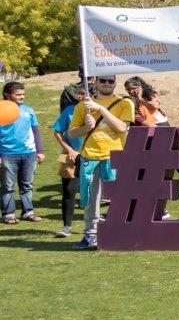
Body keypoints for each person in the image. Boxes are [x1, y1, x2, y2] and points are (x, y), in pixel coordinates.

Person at [68, 76, 135, 250]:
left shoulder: (125, 103)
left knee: (119, 198)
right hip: (90, 157)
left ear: (115, 83)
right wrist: (86, 128)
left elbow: (122, 128)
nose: (106, 84)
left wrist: (101, 109)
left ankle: (121, 234)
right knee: (91, 199)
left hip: (115, 156)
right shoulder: (82, 106)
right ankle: (91, 235)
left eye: (110, 81)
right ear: (96, 82)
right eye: (103, 80)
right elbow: (72, 133)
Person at [125, 76, 179, 191]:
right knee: (150, 154)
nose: (131, 91)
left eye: (133, 88)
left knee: (171, 152)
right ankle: (151, 181)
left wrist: (140, 98)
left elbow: (154, 106)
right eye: (128, 89)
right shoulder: (131, 100)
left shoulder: (150, 94)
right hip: (146, 126)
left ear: (140, 87)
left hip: (161, 124)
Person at [0, 81, 44, 224]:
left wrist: (40, 151)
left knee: (27, 185)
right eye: (18, 94)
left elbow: (35, 131)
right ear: (7, 95)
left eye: (23, 94)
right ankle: (8, 214)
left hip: (29, 153)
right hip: (7, 154)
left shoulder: (28, 110)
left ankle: (28, 212)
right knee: (8, 186)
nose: (22, 97)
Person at [51, 86, 86, 237]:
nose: (82, 96)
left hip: (95, 156)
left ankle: (93, 225)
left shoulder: (101, 111)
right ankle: (66, 226)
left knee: (93, 192)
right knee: (69, 191)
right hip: (71, 157)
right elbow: (57, 131)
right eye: (80, 93)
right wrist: (70, 150)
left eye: (86, 94)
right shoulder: (69, 110)